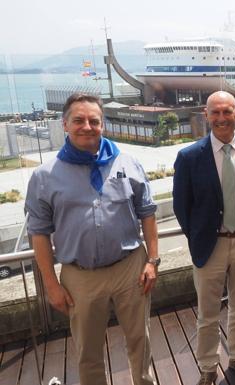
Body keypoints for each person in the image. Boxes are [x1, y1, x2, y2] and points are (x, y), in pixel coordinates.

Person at [25, 93, 159, 385]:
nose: (87, 126)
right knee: (88, 350)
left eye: (94, 120)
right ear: (65, 124)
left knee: (140, 339)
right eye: (79, 120)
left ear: (103, 124)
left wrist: (152, 260)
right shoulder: (44, 176)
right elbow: (39, 233)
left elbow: (147, 213)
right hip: (80, 276)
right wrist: (51, 284)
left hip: (130, 268)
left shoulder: (128, 163)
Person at [173, 91, 235, 384]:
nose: (222, 118)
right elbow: (180, 205)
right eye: (216, 113)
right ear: (206, 114)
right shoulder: (189, 157)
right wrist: (198, 236)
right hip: (208, 246)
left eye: (227, 112)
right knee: (207, 313)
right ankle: (208, 367)